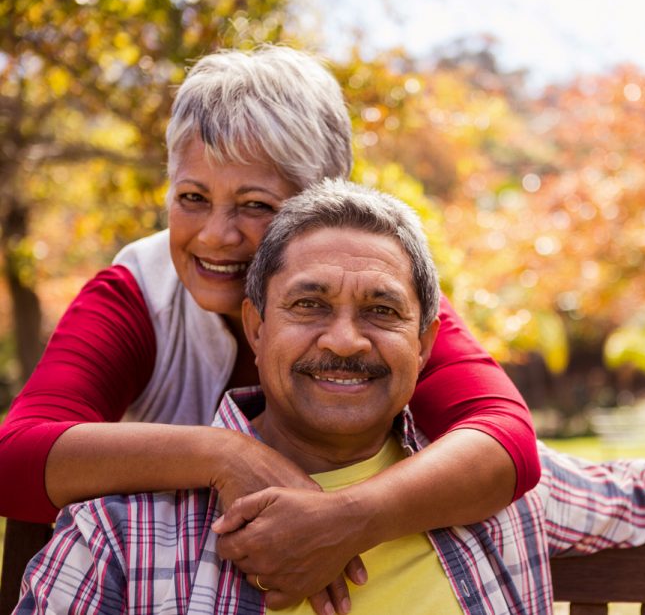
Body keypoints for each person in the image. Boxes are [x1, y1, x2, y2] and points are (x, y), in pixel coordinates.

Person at [15, 179, 645, 615]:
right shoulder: (121, 533)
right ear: (256, 328)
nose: (344, 339)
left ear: (425, 340)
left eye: (380, 312)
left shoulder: (498, 497)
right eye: (308, 306)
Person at [0, 46, 540, 612]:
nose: (215, 235)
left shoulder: (368, 301)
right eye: (192, 197)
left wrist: (345, 521)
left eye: (255, 205)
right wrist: (224, 456)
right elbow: (14, 454)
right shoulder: (137, 291)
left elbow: (505, 436)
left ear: (320, 208)